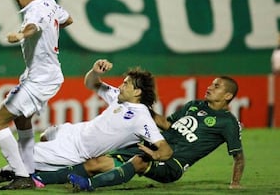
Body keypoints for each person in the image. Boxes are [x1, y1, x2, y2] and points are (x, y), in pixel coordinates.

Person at [0, 59, 173, 188]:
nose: (121, 85)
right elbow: (91, 83)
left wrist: (155, 154)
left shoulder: (142, 117)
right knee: (46, 135)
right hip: (73, 131)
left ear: (137, 91)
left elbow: (166, 149)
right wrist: (96, 71)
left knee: (28, 156)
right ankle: (37, 171)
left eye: (126, 84)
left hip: (76, 149)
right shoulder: (118, 96)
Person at [65, 76, 245, 191]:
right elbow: (167, 124)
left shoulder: (228, 122)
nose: (210, 87)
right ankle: (54, 176)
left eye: (217, 86)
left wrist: (235, 183)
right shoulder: (194, 105)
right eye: (212, 84)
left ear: (228, 96)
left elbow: (238, 156)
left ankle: (89, 185)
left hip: (172, 163)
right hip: (154, 147)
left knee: (137, 162)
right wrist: (143, 108)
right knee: (99, 161)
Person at [0, 0, 73, 190]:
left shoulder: (34, 10)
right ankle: (28, 170)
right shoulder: (48, 2)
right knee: (22, 121)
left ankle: (20, 175)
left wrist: (21, 35)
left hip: (40, 79)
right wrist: (49, 31)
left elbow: (33, 26)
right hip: (46, 74)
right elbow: (68, 19)